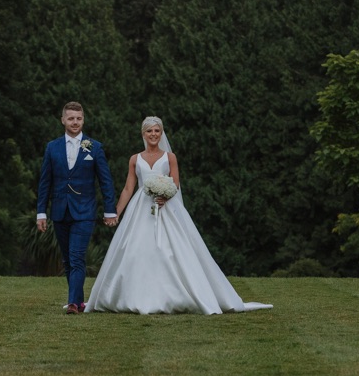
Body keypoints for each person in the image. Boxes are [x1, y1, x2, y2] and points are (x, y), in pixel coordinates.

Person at [84, 117, 272, 315]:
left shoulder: (170, 157)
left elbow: (175, 183)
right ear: (143, 134)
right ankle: (134, 296)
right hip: (140, 208)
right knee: (135, 251)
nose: (153, 134)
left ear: (161, 133)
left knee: (172, 251)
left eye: (157, 131)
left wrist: (165, 196)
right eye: (149, 131)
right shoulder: (135, 159)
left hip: (166, 208)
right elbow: (128, 188)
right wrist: (115, 213)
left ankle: (176, 295)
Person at [36, 101, 118, 314]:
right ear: (63, 120)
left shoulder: (94, 147)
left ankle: (72, 303)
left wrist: (110, 210)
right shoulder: (52, 147)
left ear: (83, 120)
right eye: (71, 118)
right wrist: (41, 212)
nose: (75, 122)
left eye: (79, 118)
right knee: (67, 259)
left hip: (85, 211)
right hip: (60, 211)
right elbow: (45, 182)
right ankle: (80, 302)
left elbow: (105, 181)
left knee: (76, 256)